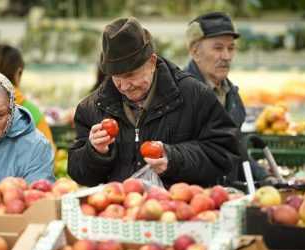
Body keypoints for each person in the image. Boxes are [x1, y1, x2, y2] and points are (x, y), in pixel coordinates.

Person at [68, 17, 240, 187]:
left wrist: (173, 159)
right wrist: (95, 151)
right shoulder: (91, 108)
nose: (125, 86)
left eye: (130, 75)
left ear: (151, 62)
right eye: (116, 77)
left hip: (178, 210)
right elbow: (79, 175)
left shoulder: (195, 95)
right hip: (118, 209)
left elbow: (225, 154)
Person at [184, 12, 267, 182]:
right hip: (194, 197)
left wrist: (265, 177)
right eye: (218, 48)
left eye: (231, 48)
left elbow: (236, 150)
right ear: (195, 52)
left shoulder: (231, 94)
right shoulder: (180, 95)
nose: (227, 56)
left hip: (227, 195)